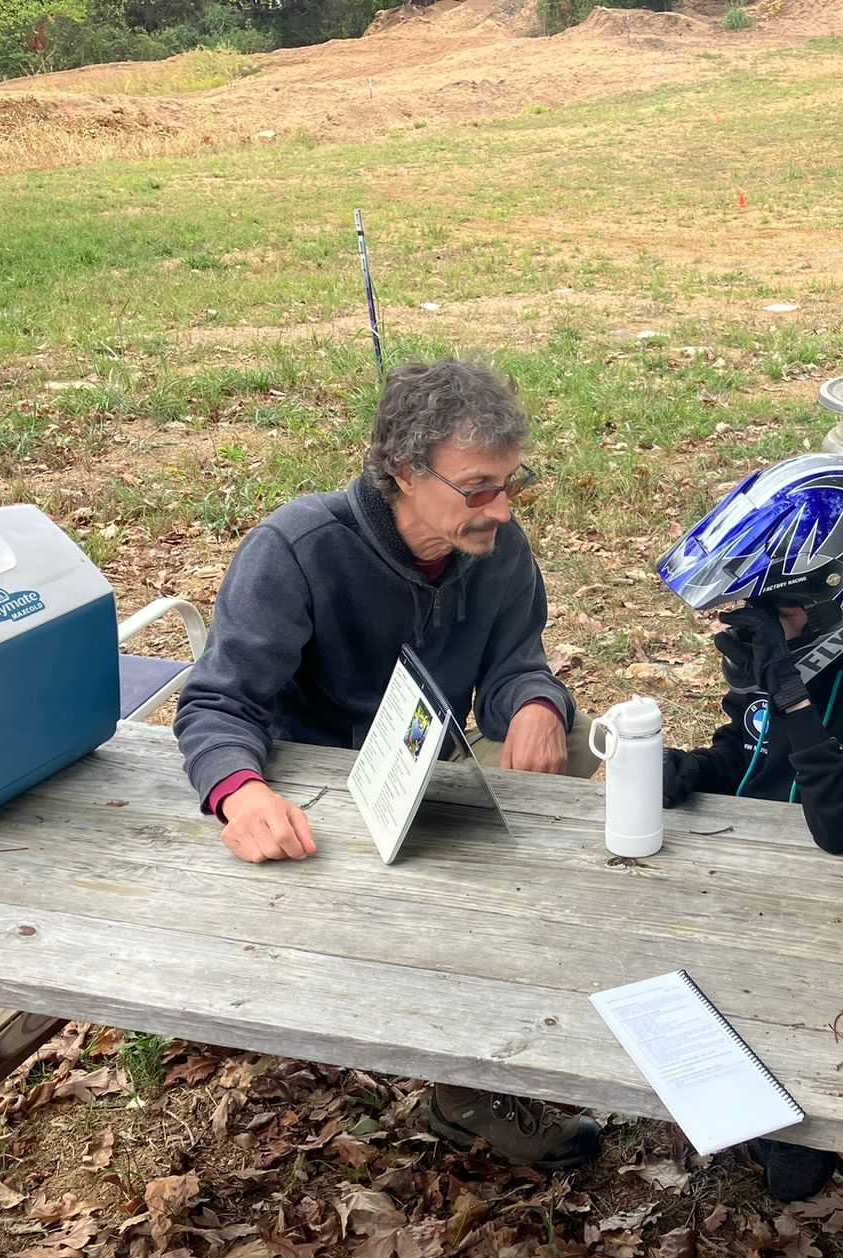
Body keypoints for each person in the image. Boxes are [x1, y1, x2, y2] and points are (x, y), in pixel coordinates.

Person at [175, 356, 601, 1172]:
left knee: (588, 745)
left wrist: (537, 705)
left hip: (429, 769)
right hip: (315, 784)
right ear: (405, 472)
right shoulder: (297, 547)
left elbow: (516, 661)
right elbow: (219, 702)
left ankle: (502, 1033)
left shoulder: (494, 546)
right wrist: (240, 791)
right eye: (479, 486)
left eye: (513, 483)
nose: (502, 509)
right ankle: (440, 1042)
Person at [655, 452, 843, 1200]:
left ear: (837, 602)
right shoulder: (780, 666)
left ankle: (803, 1123)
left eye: (773, 617)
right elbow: (747, 753)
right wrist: (694, 770)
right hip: (754, 884)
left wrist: (793, 699)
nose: (758, 637)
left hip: (841, 922)